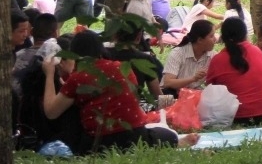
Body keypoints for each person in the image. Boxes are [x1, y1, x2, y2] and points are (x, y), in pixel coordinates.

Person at [40, 30, 192, 153]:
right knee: (167, 135)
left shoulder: (79, 77)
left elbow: (51, 112)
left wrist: (49, 75)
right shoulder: (123, 68)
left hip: (99, 142)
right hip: (136, 136)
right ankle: (174, 143)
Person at [205, 17, 262, 125]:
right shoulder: (257, 51)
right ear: (245, 34)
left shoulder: (218, 59)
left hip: (235, 117)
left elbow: (210, 88)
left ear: (223, 37)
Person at [162, 20, 217, 93]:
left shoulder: (213, 56)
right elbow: (168, 83)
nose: (215, 39)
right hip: (173, 94)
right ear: (200, 40)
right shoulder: (178, 53)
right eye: (211, 36)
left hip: (193, 94)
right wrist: (193, 78)